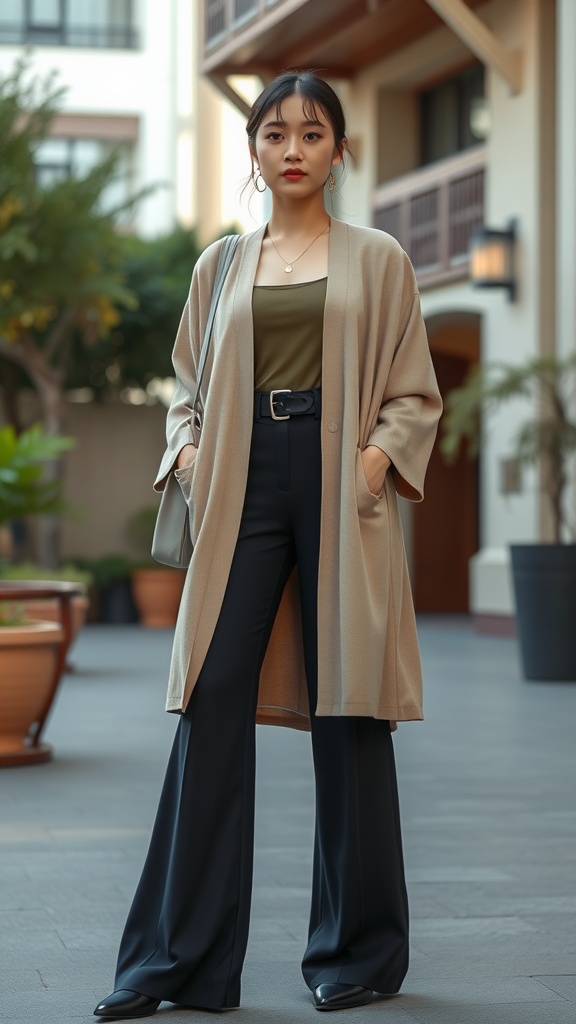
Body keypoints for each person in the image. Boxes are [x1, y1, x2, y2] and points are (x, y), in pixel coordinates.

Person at [94, 70, 442, 1020]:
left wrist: (376, 460)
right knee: (211, 695)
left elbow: (414, 390)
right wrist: (193, 451)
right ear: (252, 149)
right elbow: (183, 386)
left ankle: (357, 954)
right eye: (275, 132)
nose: (293, 148)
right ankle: (175, 961)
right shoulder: (221, 265)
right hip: (241, 478)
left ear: (339, 150)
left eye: (313, 132)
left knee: (350, 704)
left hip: (341, 475)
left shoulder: (378, 260)